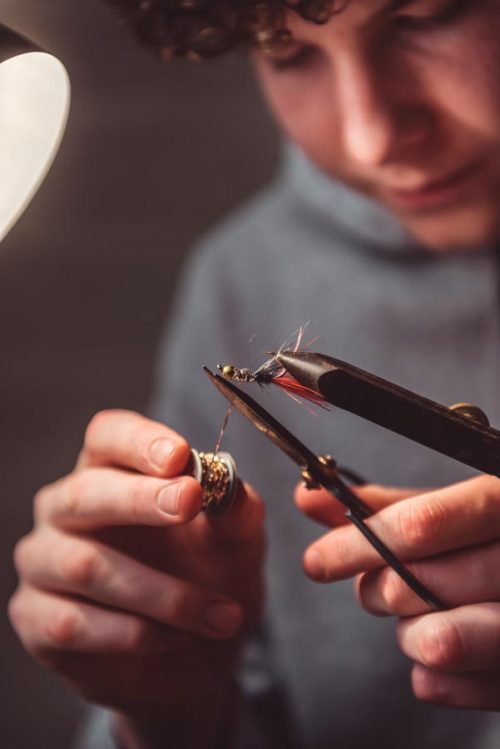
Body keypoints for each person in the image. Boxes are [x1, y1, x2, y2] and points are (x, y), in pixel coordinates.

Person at [9, 0, 500, 747]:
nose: (373, 139)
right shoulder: (241, 277)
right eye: (287, 52)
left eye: (426, 17)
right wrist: (170, 714)